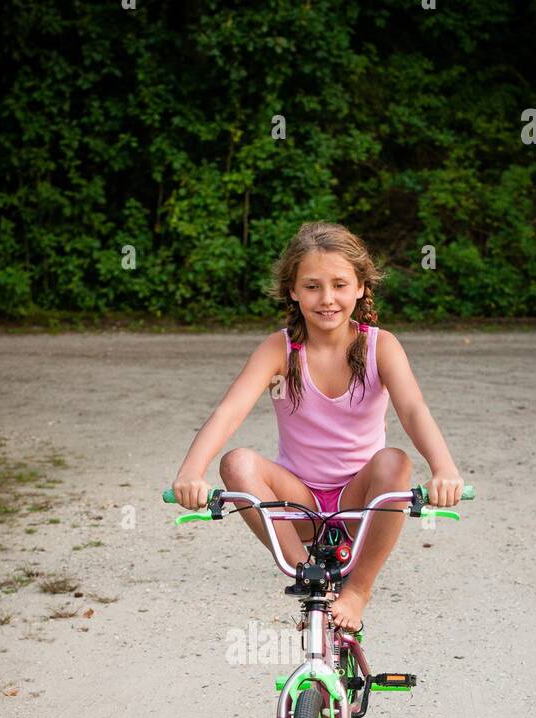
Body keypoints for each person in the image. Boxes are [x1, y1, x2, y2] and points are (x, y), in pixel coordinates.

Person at [170, 221, 463, 633]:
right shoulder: (280, 348)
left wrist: (444, 469)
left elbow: (413, 409)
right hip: (298, 502)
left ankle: (358, 590)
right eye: (311, 286)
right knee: (237, 463)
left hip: (362, 502)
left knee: (394, 460)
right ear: (292, 289)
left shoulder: (382, 346)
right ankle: (307, 579)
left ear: (361, 286)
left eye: (340, 284)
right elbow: (230, 410)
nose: (327, 299)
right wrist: (190, 471)